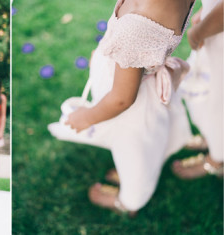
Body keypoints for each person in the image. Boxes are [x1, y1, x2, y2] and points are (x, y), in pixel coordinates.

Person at [60, 0, 195, 214]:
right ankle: (140, 166)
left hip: (129, 109)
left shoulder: (139, 24)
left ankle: (130, 201)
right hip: (135, 88)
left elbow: (121, 99)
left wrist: (87, 117)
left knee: (134, 155)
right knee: (142, 147)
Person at [172, 0, 223, 179]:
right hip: (216, 25)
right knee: (208, 94)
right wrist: (207, 11)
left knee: (219, 103)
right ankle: (212, 137)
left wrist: (197, 33)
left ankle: (217, 160)